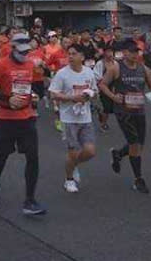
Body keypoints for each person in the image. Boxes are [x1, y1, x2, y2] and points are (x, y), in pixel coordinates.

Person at [0, 33, 46, 215]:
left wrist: (36, 96)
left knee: (33, 156)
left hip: (27, 116)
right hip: (6, 117)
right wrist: (8, 98)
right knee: (3, 153)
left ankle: (30, 200)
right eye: (21, 51)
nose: (24, 55)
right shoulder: (1, 65)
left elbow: (37, 87)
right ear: (12, 48)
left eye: (27, 51)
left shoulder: (30, 64)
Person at [99, 40, 151, 194]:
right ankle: (138, 179)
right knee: (134, 144)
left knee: (140, 145)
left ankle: (118, 154)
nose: (135, 54)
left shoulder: (143, 68)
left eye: (137, 52)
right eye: (132, 52)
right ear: (124, 53)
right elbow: (103, 84)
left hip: (139, 110)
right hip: (123, 111)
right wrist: (113, 96)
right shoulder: (116, 68)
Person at [48, 44, 98, 194]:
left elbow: (94, 90)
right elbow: (53, 94)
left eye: (74, 54)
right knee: (73, 152)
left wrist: (90, 94)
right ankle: (69, 179)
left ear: (82, 57)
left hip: (85, 117)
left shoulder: (89, 73)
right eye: (68, 54)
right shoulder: (62, 74)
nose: (70, 56)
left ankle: (74, 164)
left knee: (90, 151)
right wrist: (71, 97)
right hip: (69, 118)